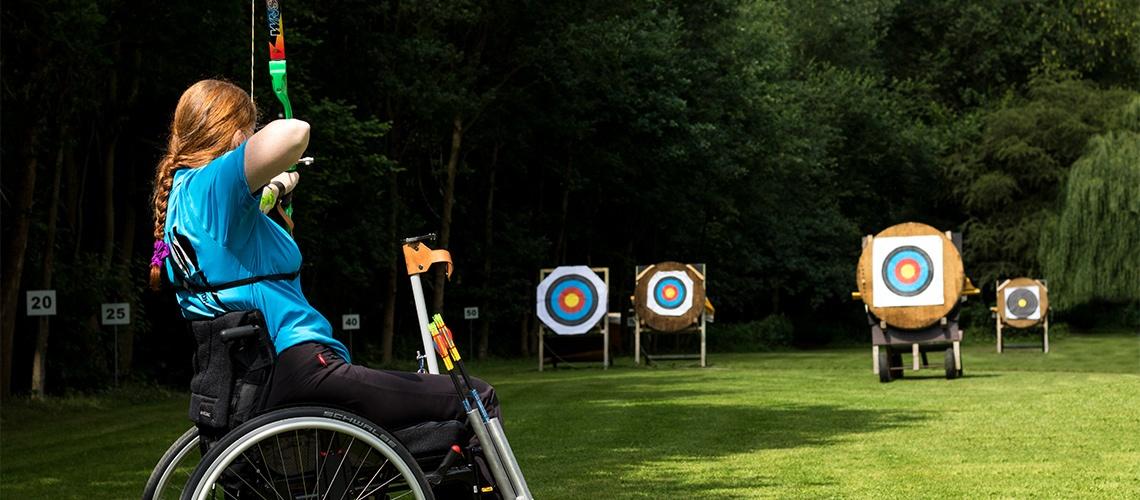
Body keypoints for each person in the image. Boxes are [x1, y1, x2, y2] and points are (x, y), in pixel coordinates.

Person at [148, 79, 498, 431]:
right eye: (249, 129)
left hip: (256, 376)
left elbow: (230, 234)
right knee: (474, 396)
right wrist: (257, 158)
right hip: (296, 362)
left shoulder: (184, 197)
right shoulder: (213, 184)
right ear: (235, 133)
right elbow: (294, 132)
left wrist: (274, 186)